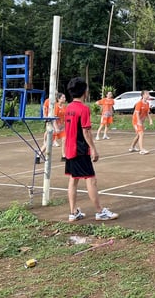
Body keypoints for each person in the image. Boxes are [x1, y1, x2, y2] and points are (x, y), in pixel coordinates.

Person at [63, 77, 119, 222]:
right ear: (84, 91)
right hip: (80, 149)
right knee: (91, 179)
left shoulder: (68, 108)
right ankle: (100, 212)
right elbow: (86, 132)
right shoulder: (83, 109)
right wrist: (93, 149)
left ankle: (73, 212)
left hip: (70, 149)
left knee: (73, 179)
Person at [128, 90, 153, 154]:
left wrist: (150, 120)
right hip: (136, 121)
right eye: (147, 94)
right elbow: (136, 113)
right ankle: (142, 150)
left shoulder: (147, 103)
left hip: (141, 122)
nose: (148, 95)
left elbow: (147, 113)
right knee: (141, 134)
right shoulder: (139, 103)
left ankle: (132, 147)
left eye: (148, 94)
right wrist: (139, 122)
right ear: (143, 95)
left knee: (138, 135)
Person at [53, 93, 67, 160]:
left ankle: (63, 155)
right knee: (48, 144)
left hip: (62, 127)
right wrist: (56, 127)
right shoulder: (56, 106)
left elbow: (65, 117)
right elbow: (54, 118)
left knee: (64, 139)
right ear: (58, 99)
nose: (64, 99)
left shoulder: (64, 107)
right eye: (63, 97)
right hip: (56, 127)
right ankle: (39, 154)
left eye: (64, 97)